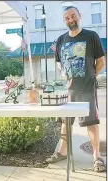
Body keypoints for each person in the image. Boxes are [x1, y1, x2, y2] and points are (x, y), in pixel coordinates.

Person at [46, 6, 106, 172]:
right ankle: (62, 152)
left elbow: (101, 62)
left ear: (80, 16)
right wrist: (63, 71)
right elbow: (59, 62)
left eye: (73, 16)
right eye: (67, 18)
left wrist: (91, 76)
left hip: (87, 88)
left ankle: (97, 156)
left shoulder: (91, 36)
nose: (70, 20)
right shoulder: (61, 40)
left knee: (91, 122)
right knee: (66, 122)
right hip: (69, 90)